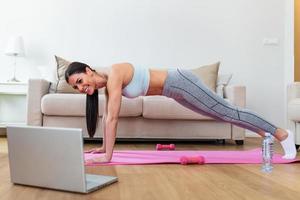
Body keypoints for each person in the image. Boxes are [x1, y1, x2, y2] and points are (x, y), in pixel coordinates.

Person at [65, 62, 297, 163]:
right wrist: (104, 148)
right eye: (77, 87)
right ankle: (265, 132)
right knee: (220, 114)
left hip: (180, 81)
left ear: (87, 70)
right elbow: (107, 117)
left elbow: (113, 117)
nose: (81, 88)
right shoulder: (106, 85)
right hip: (174, 92)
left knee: (227, 111)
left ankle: (282, 134)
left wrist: (108, 157)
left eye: (80, 81)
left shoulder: (114, 73)